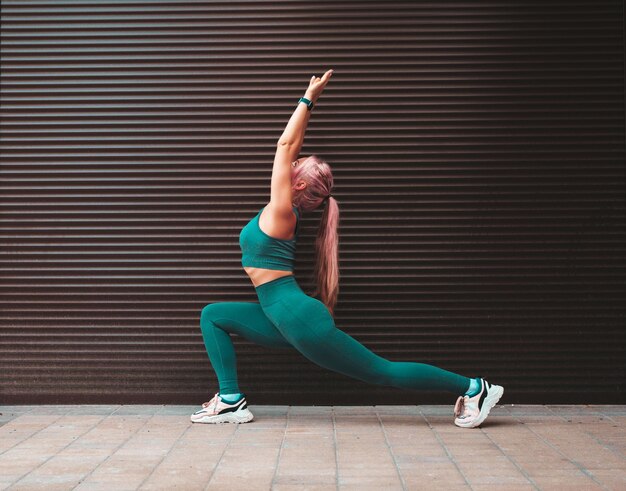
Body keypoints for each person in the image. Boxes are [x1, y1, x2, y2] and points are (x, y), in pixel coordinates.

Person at [191, 69, 503, 429]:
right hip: (282, 313)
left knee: (381, 371)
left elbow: (284, 145)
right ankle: (230, 399)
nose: (290, 163)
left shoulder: (281, 213)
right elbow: (290, 149)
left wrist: (309, 98)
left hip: (296, 316)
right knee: (213, 314)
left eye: (297, 165)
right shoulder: (281, 210)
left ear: (300, 183)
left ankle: (474, 387)